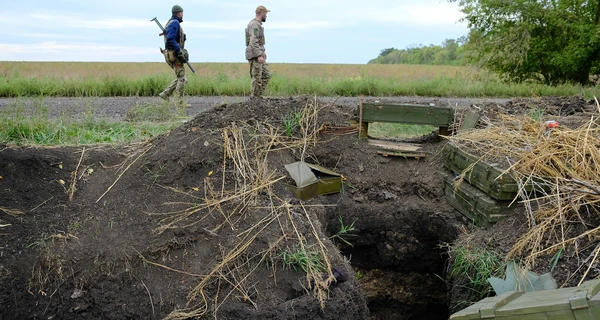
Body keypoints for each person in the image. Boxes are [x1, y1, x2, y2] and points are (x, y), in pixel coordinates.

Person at [159, 5, 190, 107]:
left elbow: (171, 37)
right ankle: (179, 102)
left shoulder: (170, 22)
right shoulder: (175, 23)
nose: (182, 14)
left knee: (180, 77)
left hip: (170, 54)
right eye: (182, 12)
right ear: (179, 13)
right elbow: (170, 39)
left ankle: (165, 94)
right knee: (182, 79)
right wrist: (179, 50)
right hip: (174, 55)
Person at [245, 5, 271, 98]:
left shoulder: (258, 25)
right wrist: (258, 55)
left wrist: (262, 52)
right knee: (257, 78)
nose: (266, 16)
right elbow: (253, 41)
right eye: (266, 13)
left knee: (266, 75)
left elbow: (258, 42)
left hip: (258, 54)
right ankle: (255, 99)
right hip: (255, 55)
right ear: (262, 13)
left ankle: (258, 96)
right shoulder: (255, 25)